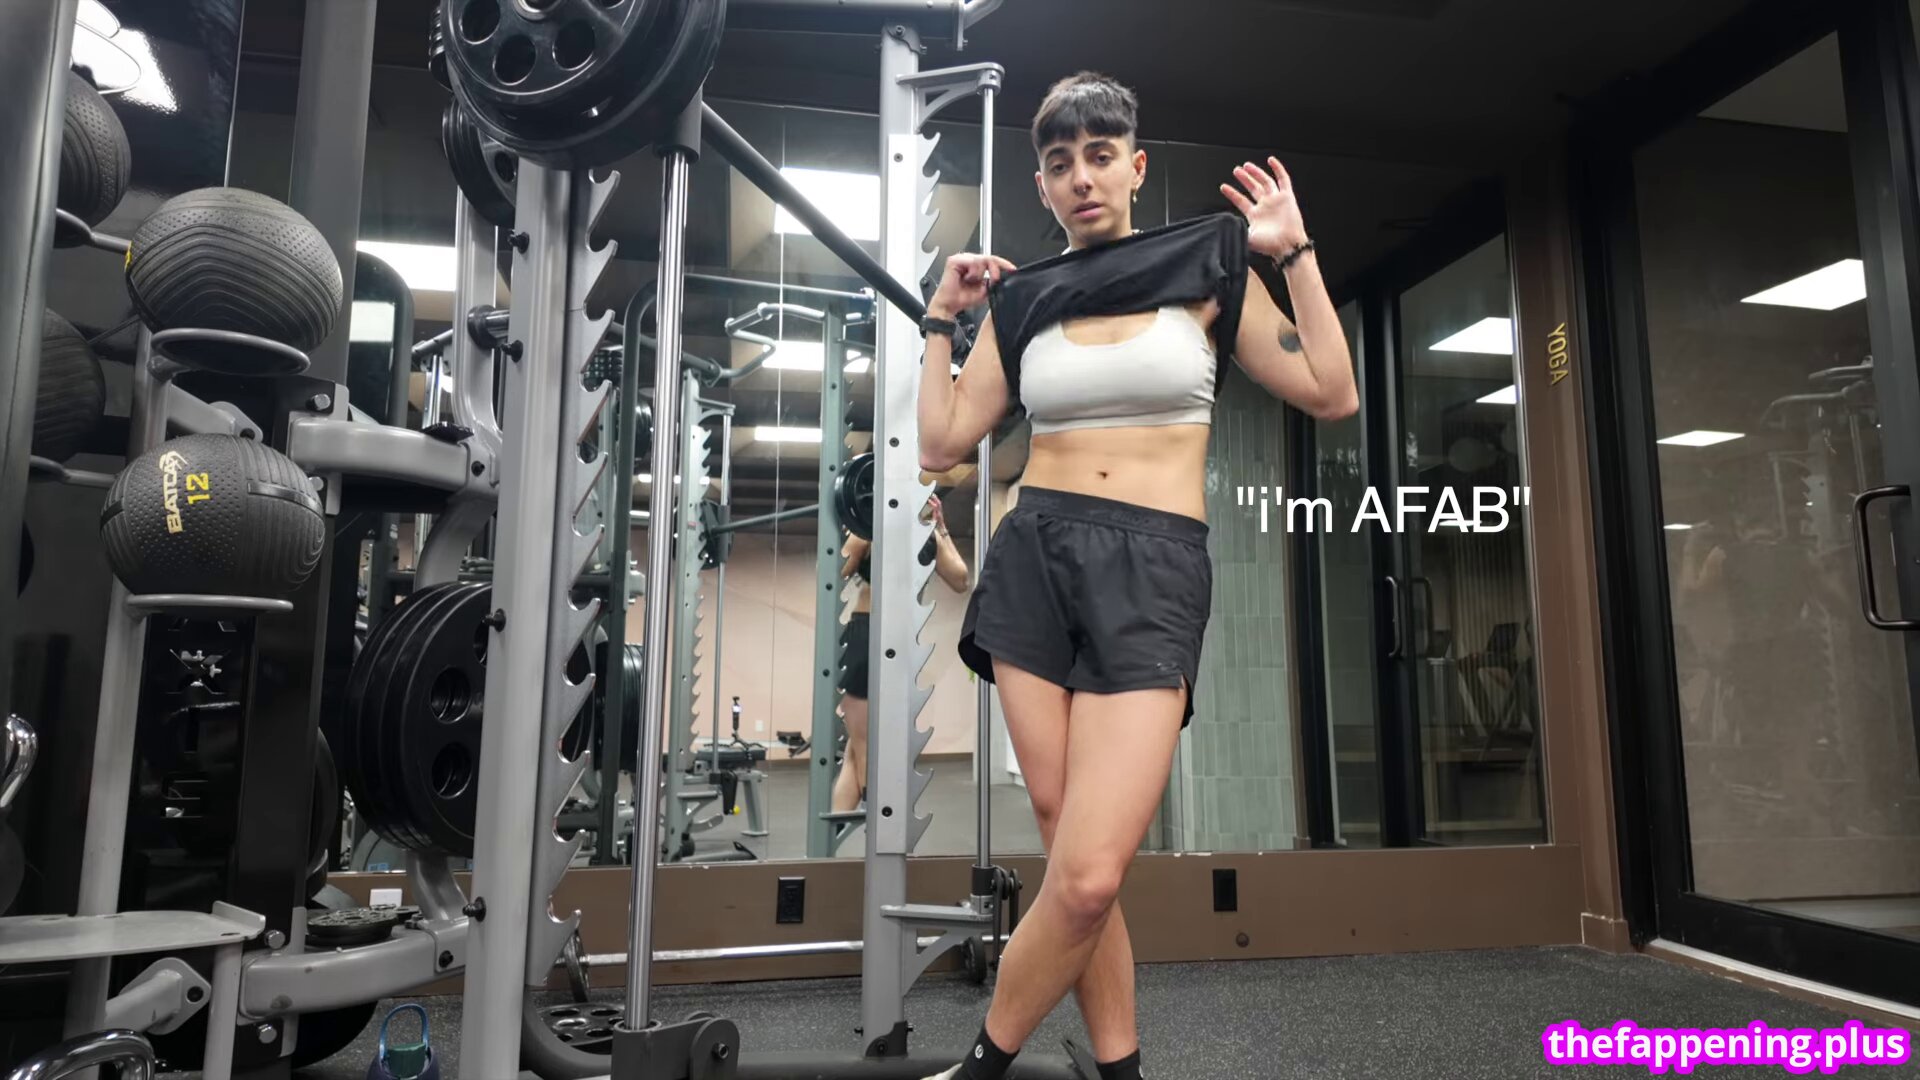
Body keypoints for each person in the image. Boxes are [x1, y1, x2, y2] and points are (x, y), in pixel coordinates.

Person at [913, 72, 1358, 1080]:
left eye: (1101, 156)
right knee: (1067, 844)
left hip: (1153, 567)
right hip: (1034, 562)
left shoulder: (1209, 268)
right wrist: (943, 317)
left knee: (1086, 874)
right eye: (1061, 163)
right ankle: (1122, 1070)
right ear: (1042, 182)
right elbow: (940, 441)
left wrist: (1295, 255)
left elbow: (1331, 390)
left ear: (1136, 167)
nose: (1082, 178)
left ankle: (979, 1068)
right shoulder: (1024, 299)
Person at [833, 492, 971, 813]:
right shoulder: (871, 529)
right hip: (868, 636)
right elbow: (837, 570)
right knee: (860, 747)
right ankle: (862, 829)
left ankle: (868, 828)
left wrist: (941, 528)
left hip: (896, 639)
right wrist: (863, 524)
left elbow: (961, 579)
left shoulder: (927, 536)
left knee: (865, 746)